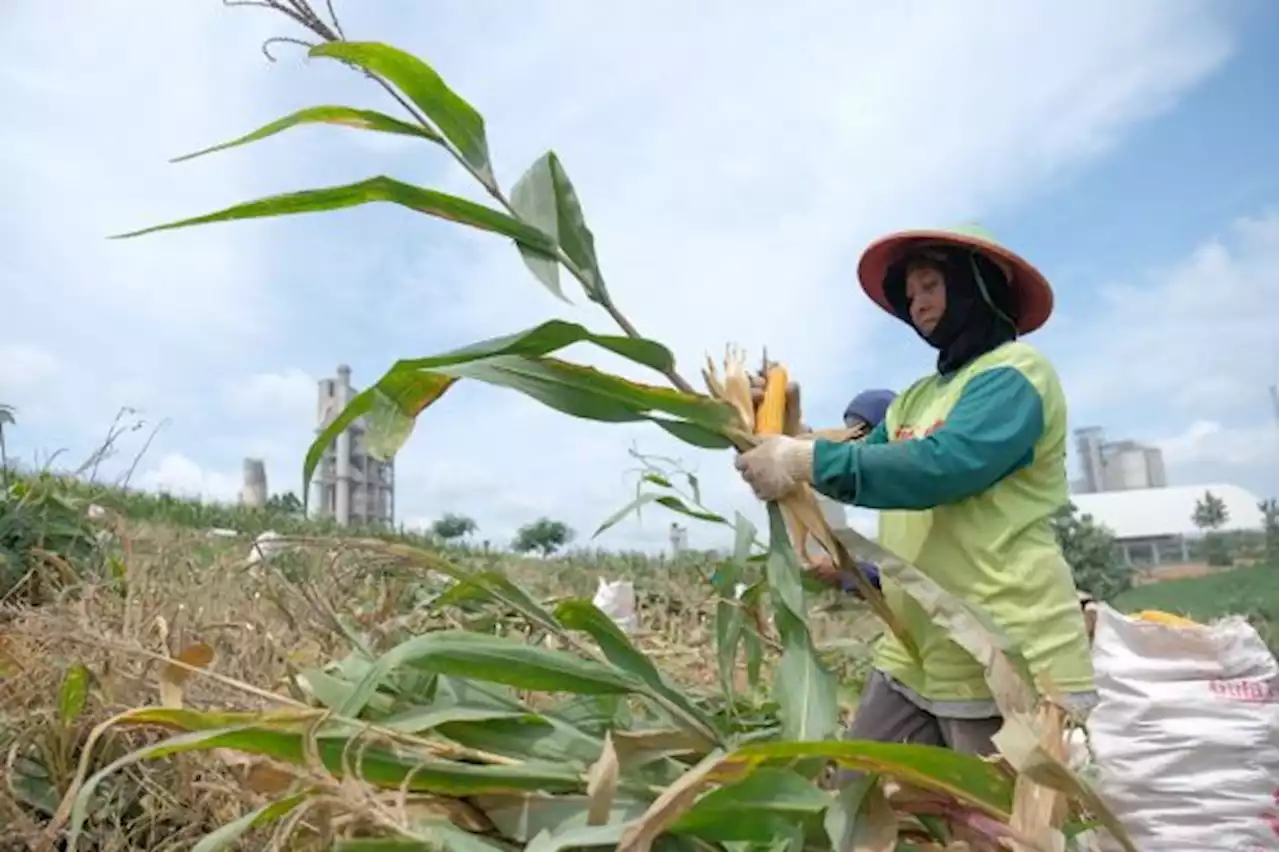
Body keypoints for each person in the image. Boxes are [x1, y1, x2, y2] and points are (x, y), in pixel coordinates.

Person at [734, 226, 1095, 757]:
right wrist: (781, 429)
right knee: (858, 797)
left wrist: (800, 457)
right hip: (914, 650)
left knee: (999, 832)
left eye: (930, 285)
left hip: (1003, 651)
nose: (918, 304)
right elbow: (867, 463)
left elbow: (942, 466)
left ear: (975, 285)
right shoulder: (917, 398)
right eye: (910, 295)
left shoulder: (1016, 375)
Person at [805, 389, 897, 597]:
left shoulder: (920, 498)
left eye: (861, 433)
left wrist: (847, 573)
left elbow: (921, 582)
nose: (851, 442)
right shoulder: (889, 502)